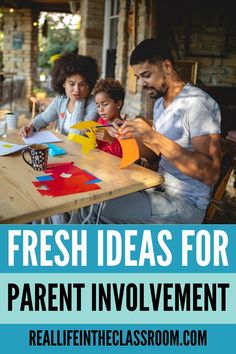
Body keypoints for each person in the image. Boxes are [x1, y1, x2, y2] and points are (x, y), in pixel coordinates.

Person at [20, 52, 99, 137]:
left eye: (82, 84)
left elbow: (76, 135)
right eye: (72, 84)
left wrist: (79, 102)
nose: (76, 90)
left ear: (89, 85)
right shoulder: (62, 99)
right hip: (63, 148)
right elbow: (43, 119)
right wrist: (31, 127)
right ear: (63, 83)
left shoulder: (95, 104)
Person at [93, 78, 126, 158]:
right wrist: (93, 139)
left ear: (118, 104)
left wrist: (110, 139)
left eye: (105, 104)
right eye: (98, 106)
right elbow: (96, 149)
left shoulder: (124, 128)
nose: (101, 109)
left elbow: (124, 157)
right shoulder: (101, 122)